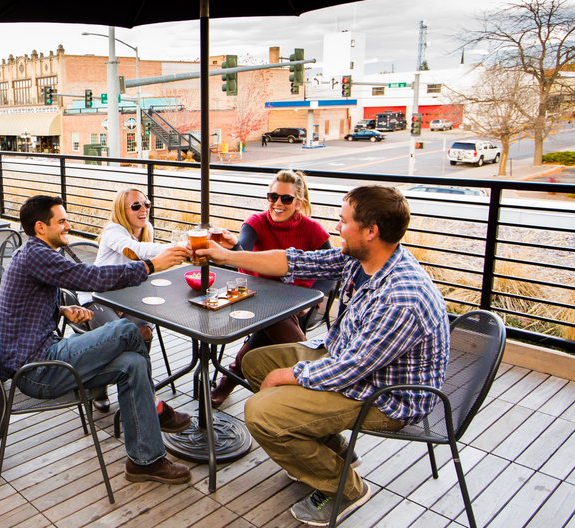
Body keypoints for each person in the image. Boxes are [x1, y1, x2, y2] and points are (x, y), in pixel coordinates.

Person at [194, 185, 449, 526]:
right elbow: (293, 260)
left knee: (261, 412)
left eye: (343, 221)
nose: (336, 227)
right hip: (350, 363)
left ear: (371, 231)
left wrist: (288, 376)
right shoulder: (362, 259)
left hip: (384, 397)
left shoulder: (402, 297)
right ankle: (333, 451)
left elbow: (350, 370)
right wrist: (225, 256)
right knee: (256, 363)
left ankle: (344, 488)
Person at [0, 195, 193, 484]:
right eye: (61, 221)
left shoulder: (31, 254)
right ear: (41, 227)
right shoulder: (37, 255)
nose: (68, 225)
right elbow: (90, 277)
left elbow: (22, 306)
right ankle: (153, 407)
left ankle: (145, 460)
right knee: (128, 330)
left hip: (41, 357)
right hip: (37, 369)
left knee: (132, 364)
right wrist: (150, 266)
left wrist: (61, 309)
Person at [210, 170, 333, 408]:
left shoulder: (312, 229)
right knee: (273, 319)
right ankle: (307, 370)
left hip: (301, 304)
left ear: (298, 202)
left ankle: (230, 378)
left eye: (286, 199)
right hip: (259, 298)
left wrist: (313, 299)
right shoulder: (256, 222)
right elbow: (241, 250)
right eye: (272, 196)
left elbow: (331, 272)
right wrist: (232, 247)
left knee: (273, 323)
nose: (277, 203)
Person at [76, 188, 171, 412]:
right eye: (136, 206)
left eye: (146, 204)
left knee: (144, 330)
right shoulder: (113, 231)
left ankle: (138, 387)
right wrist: (175, 248)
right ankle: (98, 388)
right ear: (121, 210)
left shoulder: (147, 229)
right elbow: (134, 252)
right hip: (96, 295)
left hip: (126, 298)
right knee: (115, 334)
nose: (144, 210)